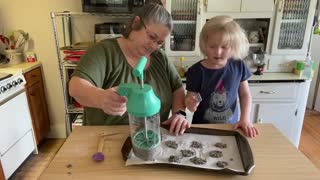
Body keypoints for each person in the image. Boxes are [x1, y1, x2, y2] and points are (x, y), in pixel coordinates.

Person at [68, 3, 189, 135]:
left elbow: (177, 88)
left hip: (153, 138)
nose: (153, 46)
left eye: (159, 42)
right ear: (136, 23)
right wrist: (101, 97)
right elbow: (75, 87)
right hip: (106, 140)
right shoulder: (104, 51)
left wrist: (180, 113)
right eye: (151, 37)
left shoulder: (160, 57)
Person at [185, 15, 259, 137]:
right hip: (202, 130)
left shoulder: (238, 65)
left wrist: (245, 119)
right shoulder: (196, 71)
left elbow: (245, 94)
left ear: (234, 46)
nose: (218, 52)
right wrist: (190, 103)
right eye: (212, 46)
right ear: (204, 44)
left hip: (231, 127)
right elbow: (190, 97)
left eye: (224, 47)